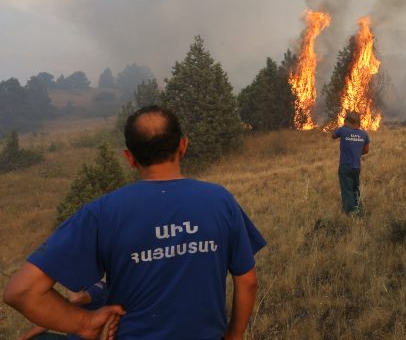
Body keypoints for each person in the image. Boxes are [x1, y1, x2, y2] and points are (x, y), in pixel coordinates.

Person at [4, 105, 266, 340]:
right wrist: (234, 334)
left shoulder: (103, 212)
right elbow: (248, 281)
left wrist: (84, 323)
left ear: (129, 158)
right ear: (183, 146)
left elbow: (22, 291)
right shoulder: (220, 201)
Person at [18, 282, 107, 340]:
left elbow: (76, 299)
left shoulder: (99, 286)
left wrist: (70, 275)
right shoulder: (80, 289)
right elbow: (54, 318)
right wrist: (24, 337)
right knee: (35, 338)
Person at [332, 111, 370, 215]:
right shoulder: (364, 134)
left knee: (346, 189)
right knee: (355, 187)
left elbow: (333, 135)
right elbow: (366, 150)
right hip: (357, 166)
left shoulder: (343, 130)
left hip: (345, 165)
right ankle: (358, 209)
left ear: (346, 121)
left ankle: (351, 213)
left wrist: (343, 127)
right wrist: (356, 153)